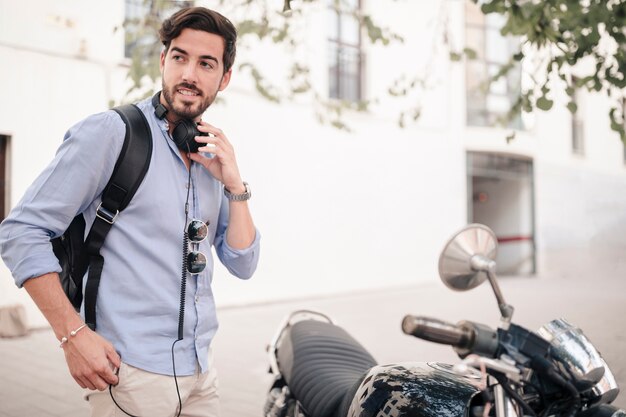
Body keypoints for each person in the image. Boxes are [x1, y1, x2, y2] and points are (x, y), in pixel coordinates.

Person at [0, 6, 260, 417]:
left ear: (224, 78)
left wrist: (234, 185)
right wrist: (73, 336)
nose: (189, 73)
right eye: (179, 57)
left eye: (206, 63)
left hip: (200, 373)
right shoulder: (110, 133)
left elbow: (243, 263)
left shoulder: (212, 155)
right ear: (163, 61)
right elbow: (21, 232)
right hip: (131, 373)